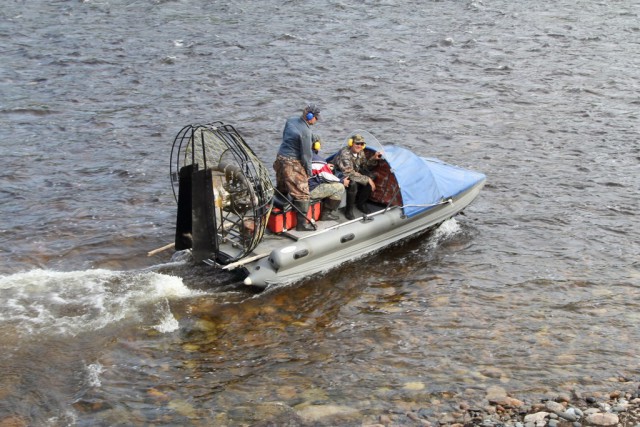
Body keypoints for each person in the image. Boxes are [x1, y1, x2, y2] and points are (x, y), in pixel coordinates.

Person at [273, 104, 321, 231]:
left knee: (282, 187)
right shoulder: (306, 131)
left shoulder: (291, 120)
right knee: (303, 194)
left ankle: (279, 211)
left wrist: (310, 137)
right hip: (292, 163)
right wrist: (308, 170)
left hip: (280, 158)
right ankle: (302, 225)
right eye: (316, 118)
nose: (317, 120)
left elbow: (288, 137)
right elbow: (306, 155)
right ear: (311, 117)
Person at [333, 134, 382, 220]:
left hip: (352, 172)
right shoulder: (345, 153)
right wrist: (367, 179)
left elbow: (364, 166)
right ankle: (348, 210)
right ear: (351, 143)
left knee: (371, 176)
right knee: (353, 184)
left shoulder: (360, 152)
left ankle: (361, 204)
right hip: (340, 173)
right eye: (357, 143)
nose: (359, 146)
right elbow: (348, 172)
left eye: (361, 144)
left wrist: (373, 158)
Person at [308, 140, 350, 221]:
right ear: (317, 146)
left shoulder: (301, 155)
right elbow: (327, 177)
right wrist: (342, 181)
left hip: (299, 188)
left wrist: (325, 166)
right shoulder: (317, 159)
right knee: (339, 187)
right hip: (310, 191)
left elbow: (315, 169)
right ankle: (326, 214)